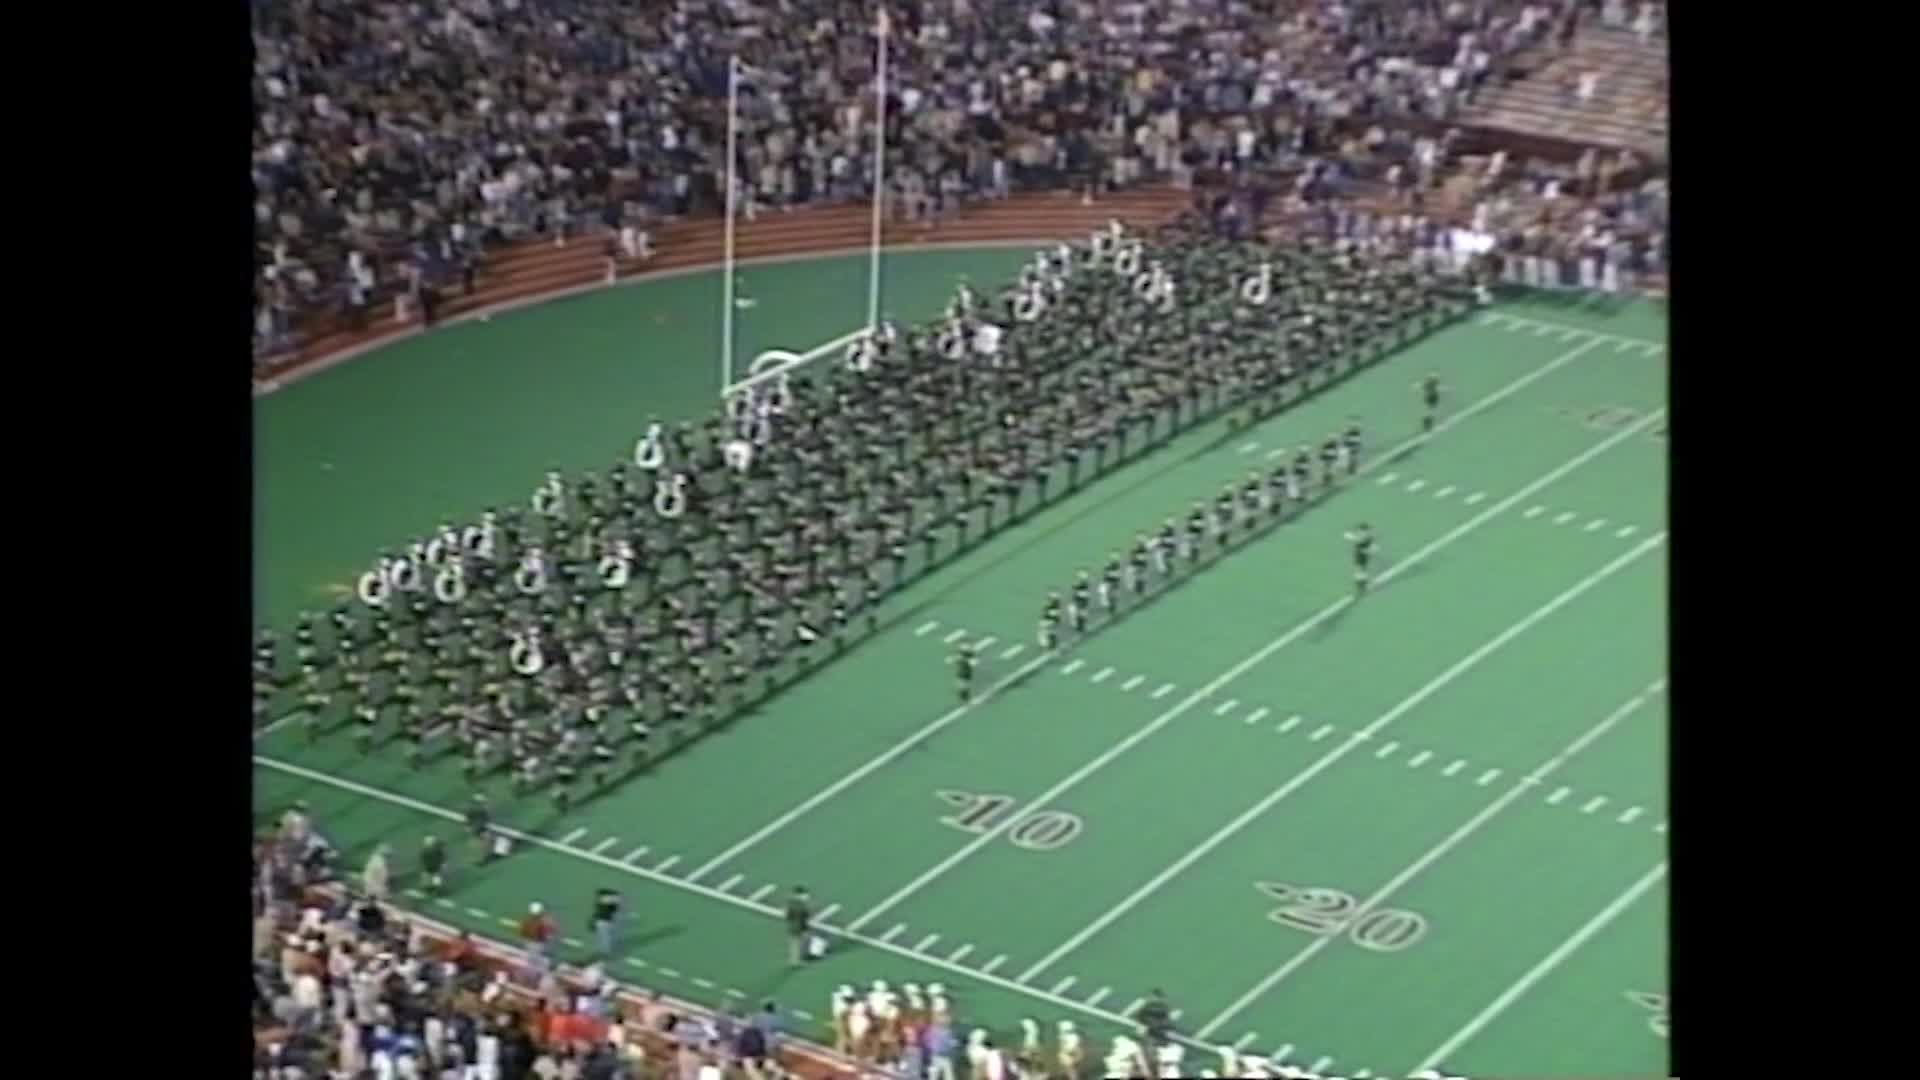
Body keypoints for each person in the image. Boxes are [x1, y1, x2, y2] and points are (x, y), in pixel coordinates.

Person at [785, 886, 812, 966]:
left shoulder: (791, 903)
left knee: (794, 944)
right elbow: (805, 916)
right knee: (800, 943)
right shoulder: (801, 904)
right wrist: (805, 928)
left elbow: (788, 915)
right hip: (799, 926)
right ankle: (797, 960)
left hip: (793, 926)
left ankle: (794, 960)